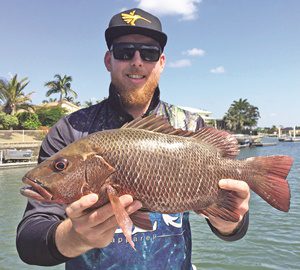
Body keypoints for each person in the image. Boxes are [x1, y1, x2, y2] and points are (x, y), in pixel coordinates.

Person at [16, 8, 250, 270]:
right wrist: (74, 237)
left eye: (148, 53)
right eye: (125, 52)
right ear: (109, 60)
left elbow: (231, 228)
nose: (137, 61)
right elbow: (29, 239)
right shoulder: (70, 131)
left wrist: (231, 222)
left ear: (161, 62)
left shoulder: (190, 126)